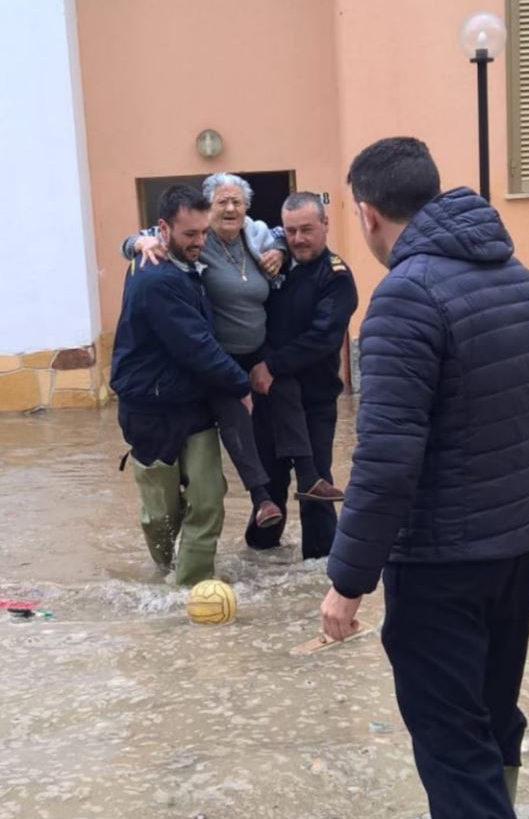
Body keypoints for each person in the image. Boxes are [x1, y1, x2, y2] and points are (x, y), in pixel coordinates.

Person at [320, 138, 529, 819]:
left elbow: (387, 459)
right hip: (517, 542)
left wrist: (346, 580)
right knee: (489, 712)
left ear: (367, 213)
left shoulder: (404, 297)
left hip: (441, 561)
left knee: (450, 739)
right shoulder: (520, 278)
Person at [123, 173, 343, 522]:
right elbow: (145, 238)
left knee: (286, 390)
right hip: (219, 356)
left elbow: (282, 235)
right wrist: (138, 242)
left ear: (246, 208)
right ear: (207, 208)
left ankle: (309, 477)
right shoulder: (195, 239)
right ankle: (261, 499)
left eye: (237, 202)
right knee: (234, 416)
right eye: (221, 202)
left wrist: (280, 251)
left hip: (258, 349)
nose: (230, 209)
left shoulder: (257, 233)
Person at [111, 185, 253, 585]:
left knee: (208, 499)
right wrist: (241, 385)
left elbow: (253, 231)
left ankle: (192, 588)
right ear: (163, 229)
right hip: (148, 409)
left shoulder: (185, 263)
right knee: (161, 514)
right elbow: (197, 346)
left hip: (194, 406)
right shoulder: (154, 276)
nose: (199, 242)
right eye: (190, 234)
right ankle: (163, 576)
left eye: (204, 232)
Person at [245, 191, 358, 559]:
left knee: (315, 490)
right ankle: (260, 564)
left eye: (307, 229)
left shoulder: (336, 276)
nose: (298, 239)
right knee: (268, 487)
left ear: (325, 225)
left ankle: (320, 571)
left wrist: (271, 366)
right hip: (269, 399)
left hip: (314, 402)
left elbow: (322, 339)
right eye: (290, 231)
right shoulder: (273, 265)